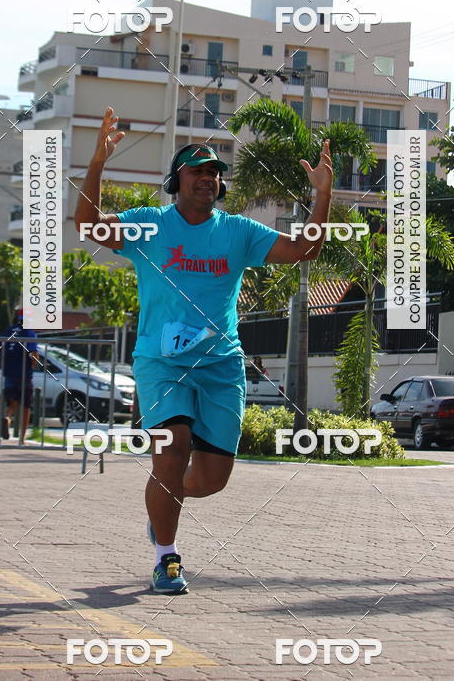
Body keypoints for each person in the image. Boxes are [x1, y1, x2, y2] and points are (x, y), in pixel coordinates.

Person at [75, 107, 333, 594]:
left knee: (212, 479)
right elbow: (88, 225)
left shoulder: (238, 232)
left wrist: (323, 194)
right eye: (197, 170)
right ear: (177, 180)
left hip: (220, 364)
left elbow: (304, 250)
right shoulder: (149, 224)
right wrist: (97, 164)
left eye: (215, 172)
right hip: (162, 361)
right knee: (172, 450)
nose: (208, 178)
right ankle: (166, 557)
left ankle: (162, 508)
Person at [0, 309, 40, 444]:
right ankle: (21, 438)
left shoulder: (9, 330)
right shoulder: (30, 332)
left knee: (12, 403)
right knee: (26, 406)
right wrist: (34, 364)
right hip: (24, 374)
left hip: (9, 372)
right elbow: (33, 352)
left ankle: (7, 418)